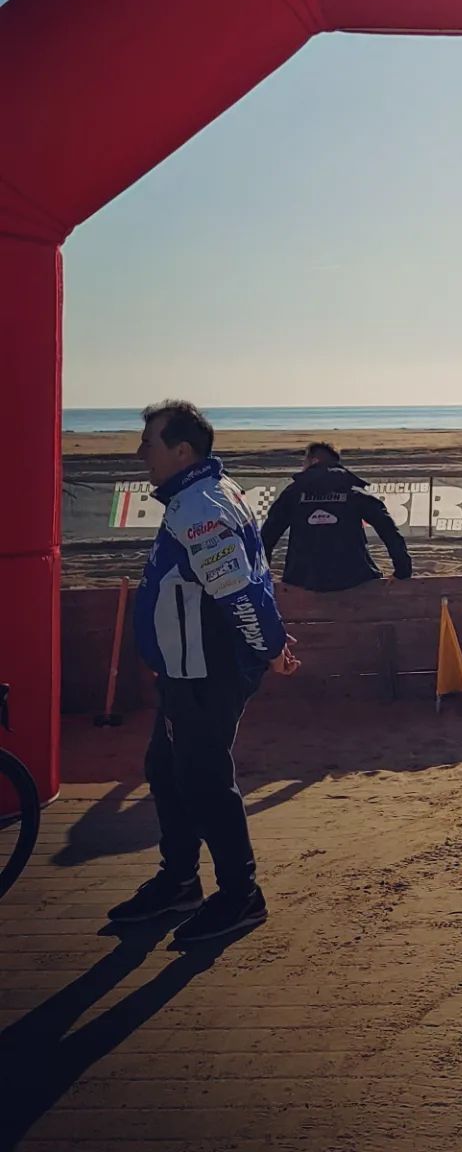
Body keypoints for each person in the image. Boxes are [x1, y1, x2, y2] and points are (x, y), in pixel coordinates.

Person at [109, 400, 297, 943]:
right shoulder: (199, 494)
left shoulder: (201, 506)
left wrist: (271, 648)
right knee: (166, 769)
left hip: (206, 671)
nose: (140, 453)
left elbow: (241, 593)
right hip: (185, 668)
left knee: (204, 780)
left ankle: (241, 896)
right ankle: (180, 880)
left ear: (182, 451)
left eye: (149, 443)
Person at [261, 442, 412, 591]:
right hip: (354, 577)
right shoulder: (354, 490)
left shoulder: (293, 493)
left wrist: (262, 576)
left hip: (301, 578)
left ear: (314, 461)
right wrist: (402, 571)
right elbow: (388, 529)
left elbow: (267, 537)